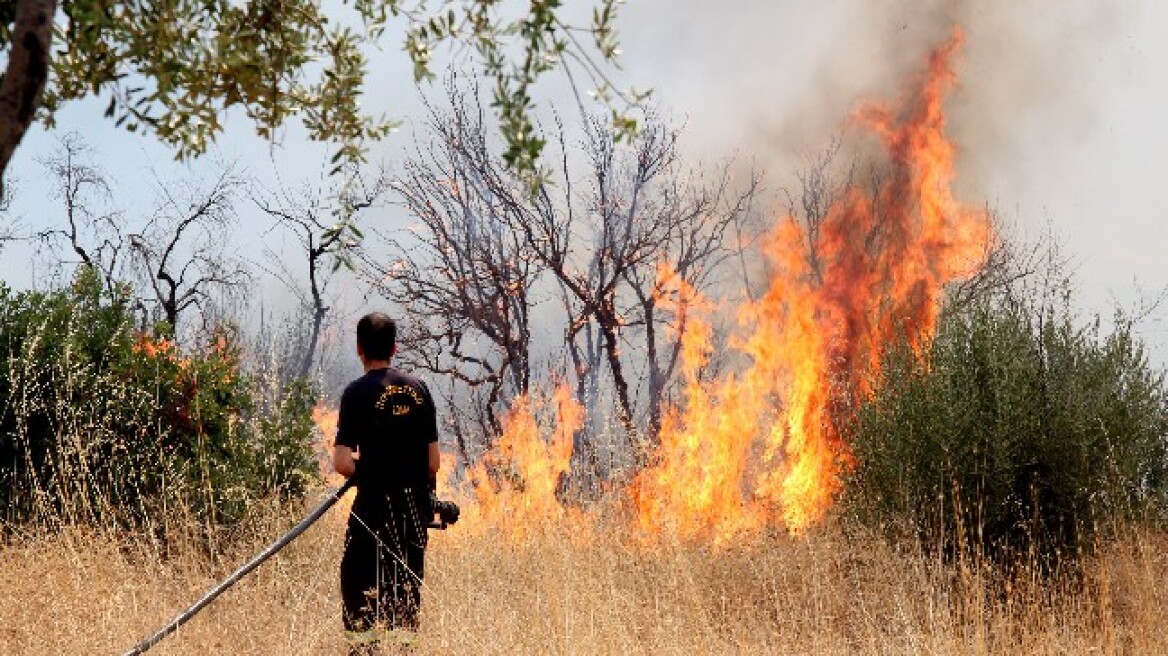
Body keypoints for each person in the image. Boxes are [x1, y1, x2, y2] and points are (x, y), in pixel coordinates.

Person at [333, 312, 440, 651]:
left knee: (359, 597)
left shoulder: (355, 393)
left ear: (359, 348)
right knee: (404, 604)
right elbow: (433, 462)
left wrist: (371, 468)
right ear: (395, 347)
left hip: (371, 515)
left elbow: (341, 462)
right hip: (412, 518)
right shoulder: (420, 389)